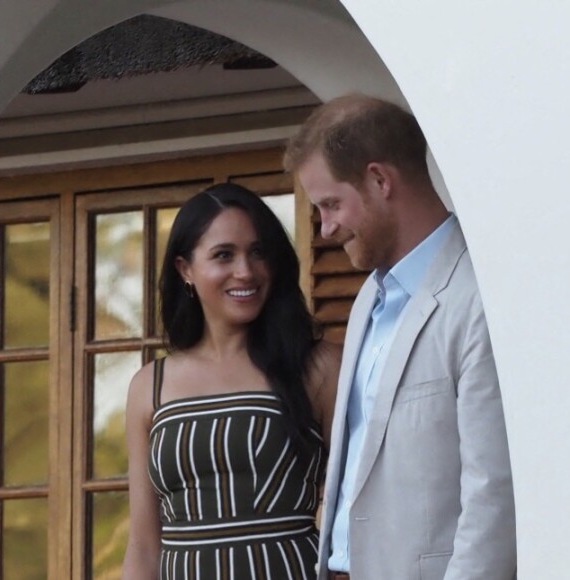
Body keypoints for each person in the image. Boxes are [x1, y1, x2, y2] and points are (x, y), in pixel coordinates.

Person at [284, 94, 516, 580]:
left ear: (379, 180)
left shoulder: (479, 299)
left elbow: (493, 495)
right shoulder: (370, 295)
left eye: (330, 205)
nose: (325, 228)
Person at [122, 183, 340, 580]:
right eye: (224, 255)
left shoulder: (319, 366)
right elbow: (142, 545)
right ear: (184, 268)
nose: (246, 271)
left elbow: (369, 508)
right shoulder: (148, 387)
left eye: (258, 253)